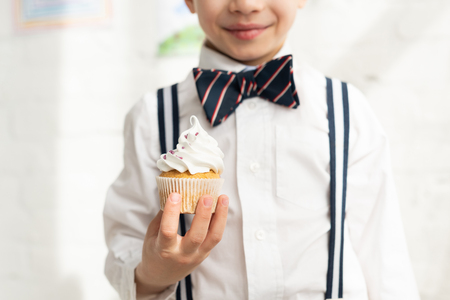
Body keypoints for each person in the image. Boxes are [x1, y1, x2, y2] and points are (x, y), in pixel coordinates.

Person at [103, 0, 421, 299]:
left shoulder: (345, 108)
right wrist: (155, 272)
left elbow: (385, 257)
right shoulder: (151, 117)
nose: (246, 5)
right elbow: (125, 245)